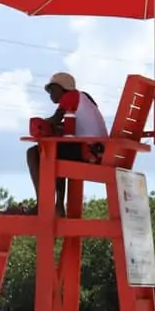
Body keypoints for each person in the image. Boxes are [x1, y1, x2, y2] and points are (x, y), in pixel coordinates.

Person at [26, 71, 108, 216]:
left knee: (34, 153)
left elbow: (54, 120)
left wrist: (39, 125)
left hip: (89, 152)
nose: (50, 94)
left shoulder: (70, 97)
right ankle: (58, 205)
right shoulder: (85, 97)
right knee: (56, 152)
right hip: (100, 150)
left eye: (51, 90)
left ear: (61, 88)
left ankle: (43, 204)